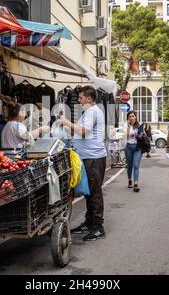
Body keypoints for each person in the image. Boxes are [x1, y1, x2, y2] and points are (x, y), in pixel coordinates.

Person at [58, 86, 107, 241]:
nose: (78, 100)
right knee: (89, 192)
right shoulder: (89, 112)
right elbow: (79, 130)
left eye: (80, 98)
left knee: (94, 192)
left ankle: (98, 227)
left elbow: (83, 131)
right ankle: (89, 222)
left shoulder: (92, 111)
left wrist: (66, 122)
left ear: (89, 99)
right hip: (88, 157)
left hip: (93, 158)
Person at [123, 110, 148, 192]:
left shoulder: (139, 125)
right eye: (129, 116)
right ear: (128, 118)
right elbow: (124, 135)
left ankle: (136, 183)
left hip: (138, 147)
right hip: (129, 147)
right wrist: (129, 128)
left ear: (136, 117)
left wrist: (142, 135)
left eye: (133, 116)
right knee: (130, 166)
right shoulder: (125, 125)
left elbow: (144, 134)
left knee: (136, 165)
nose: (131, 118)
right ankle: (130, 179)